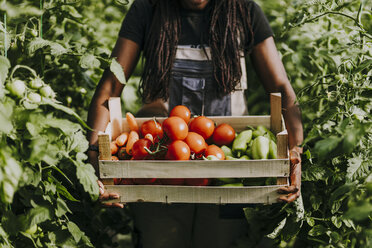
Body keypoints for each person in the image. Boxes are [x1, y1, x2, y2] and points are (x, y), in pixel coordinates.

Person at [87, 0, 303, 247]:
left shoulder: (243, 11)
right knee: (160, 240)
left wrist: (295, 152)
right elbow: (111, 86)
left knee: (223, 241)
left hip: (228, 173)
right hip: (160, 170)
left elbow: (279, 86)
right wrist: (94, 154)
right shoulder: (148, 9)